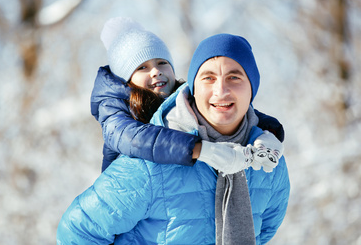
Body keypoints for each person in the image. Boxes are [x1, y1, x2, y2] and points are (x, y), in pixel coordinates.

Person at [57, 33, 290, 244]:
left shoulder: (268, 162)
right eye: (208, 78)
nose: (221, 90)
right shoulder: (149, 163)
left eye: (234, 77)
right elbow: (76, 232)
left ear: (252, 89)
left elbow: (263, 231)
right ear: (193, 88)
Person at [91, 17, 285, 174]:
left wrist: (268, 131)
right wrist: (200, 149)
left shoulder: (180, 97)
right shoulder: (113, 106)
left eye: (162, 62)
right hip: (126, 189)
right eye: (142, 67)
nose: (156, 72)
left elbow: (223, 104)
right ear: (126, 77)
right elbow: (130, 137)